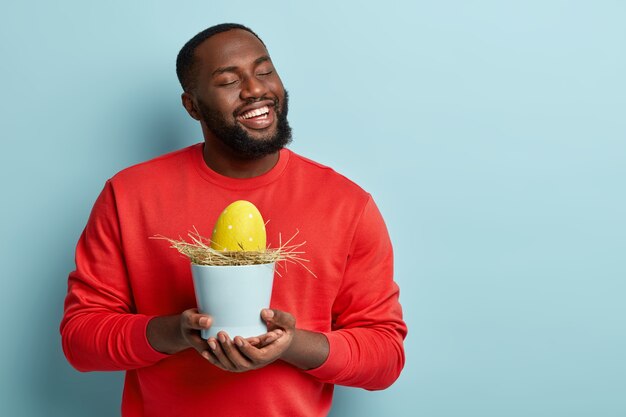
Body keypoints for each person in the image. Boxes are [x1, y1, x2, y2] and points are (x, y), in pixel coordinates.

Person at [60, 23, 407, 417]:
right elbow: (79, 341)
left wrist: (290, 344)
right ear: (192, 106)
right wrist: (175, 333)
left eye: (264, 71)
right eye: (228, 80)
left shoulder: (347, 204)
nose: (256, 90)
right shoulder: (128, 196)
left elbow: (385, 357)